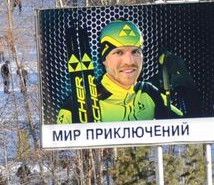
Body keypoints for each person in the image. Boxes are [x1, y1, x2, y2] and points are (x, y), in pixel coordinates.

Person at [54, 19, 192, 123]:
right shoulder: (76, 106)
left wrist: (184, 82)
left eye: (135, 52)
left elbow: (188, 127)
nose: (129, 61)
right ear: (104, 60)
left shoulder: (148, 93)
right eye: (119, 52)